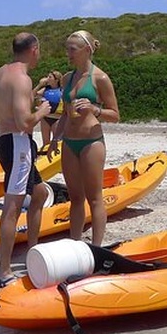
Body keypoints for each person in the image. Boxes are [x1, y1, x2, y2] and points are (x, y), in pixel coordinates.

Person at [0, 32, 53, 287]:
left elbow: (11, 105)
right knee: (13, 207)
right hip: (17, 144)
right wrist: (42, 111)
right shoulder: (22, 79)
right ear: (34, 49)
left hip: (6, 143)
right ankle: (4, 271)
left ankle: (33, 252)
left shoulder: (1, 73)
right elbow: (23, 121)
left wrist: (32, 100)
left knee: (38, 195)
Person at [49, 30, 120, 246]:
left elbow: (115, 115)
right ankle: (75, 244)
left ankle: (97, 247)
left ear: (87, 50)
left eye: (72, 49)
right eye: (67, 49)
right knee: (76, 198)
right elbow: (65, 113)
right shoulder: (67, 78)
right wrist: (55, 138)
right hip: (70, 142)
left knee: (95, 198)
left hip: (91, 142)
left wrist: (94, 109)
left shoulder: (100, 78)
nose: (68, 53)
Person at [32, 70, 64, 147]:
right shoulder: (46, 89)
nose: (47, 79)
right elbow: (33, 95)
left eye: (49, 77)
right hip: (46, 118)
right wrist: (39, 85)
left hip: (57, 118)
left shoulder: (61, 90)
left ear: (56, 80)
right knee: (45, 143)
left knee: (57, 142)